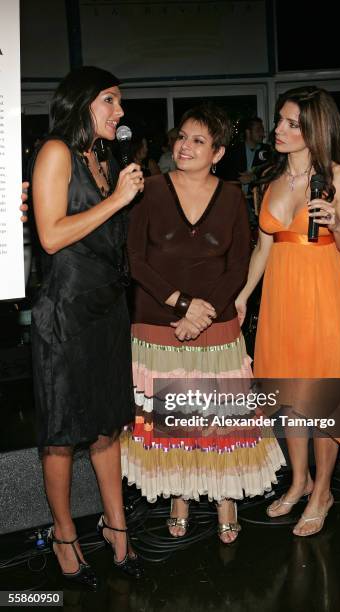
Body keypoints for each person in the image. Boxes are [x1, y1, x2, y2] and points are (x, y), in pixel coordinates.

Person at [121, 104, 285, 544]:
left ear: (217, 152)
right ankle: (180, 495)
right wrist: (182, 307)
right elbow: (134, 259)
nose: (185, 146)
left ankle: (225, 498)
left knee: (221, 416)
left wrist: (204, 311)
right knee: (174, 416)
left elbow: (238, 265)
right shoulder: (148, 190)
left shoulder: (231, 196)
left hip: (216, 323)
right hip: (159, 321)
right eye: (182, 137)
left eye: (198, 140)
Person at [31, 66, 144, 586]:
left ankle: (117, 532)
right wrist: (119, 200)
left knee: (106, 425)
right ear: (82, 103)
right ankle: (64, 537)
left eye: (119, 104)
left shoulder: (102, 156)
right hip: (66, 312)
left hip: (105, 310)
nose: (119, 113)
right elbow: (51, 237)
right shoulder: (55, 152)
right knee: (62, 434)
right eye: (110, 101)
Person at [235, 86, 340, 537]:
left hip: (323, 298)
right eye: (281, 121)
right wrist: (243, 296)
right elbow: (262, 248)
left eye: (292, 123)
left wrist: (338, 224)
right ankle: (298, 480)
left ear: (315, 129)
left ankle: (322, 490)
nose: (279, 129)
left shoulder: (339, 178)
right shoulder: (270, 181)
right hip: (281, 301)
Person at [218, 116, 271, 225]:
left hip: (259, 205)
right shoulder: (231, 152)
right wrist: (238, 180)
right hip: (234, 203)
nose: (262, 134)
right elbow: (221, 176)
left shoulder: (268, 151)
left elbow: (273, 174)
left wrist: (254, 177)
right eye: (258, 130)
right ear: (248, 132)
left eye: (262, 130)